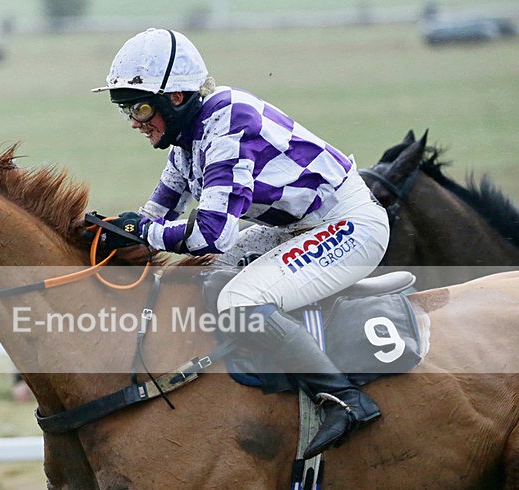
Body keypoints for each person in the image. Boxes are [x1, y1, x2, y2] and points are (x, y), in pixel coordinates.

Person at [92, 28, 390, 458]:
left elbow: (207, 234)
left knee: (241, 300)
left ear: (176, 98)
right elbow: (155, 217)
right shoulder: (185, 140)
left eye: (140, 108)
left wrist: (142, 232)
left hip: (350, 224)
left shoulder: (228, 127)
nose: (136, 123)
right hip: (300, 227)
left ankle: (346, 401)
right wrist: (109, 232)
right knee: (206, 275)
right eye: (126, 112)